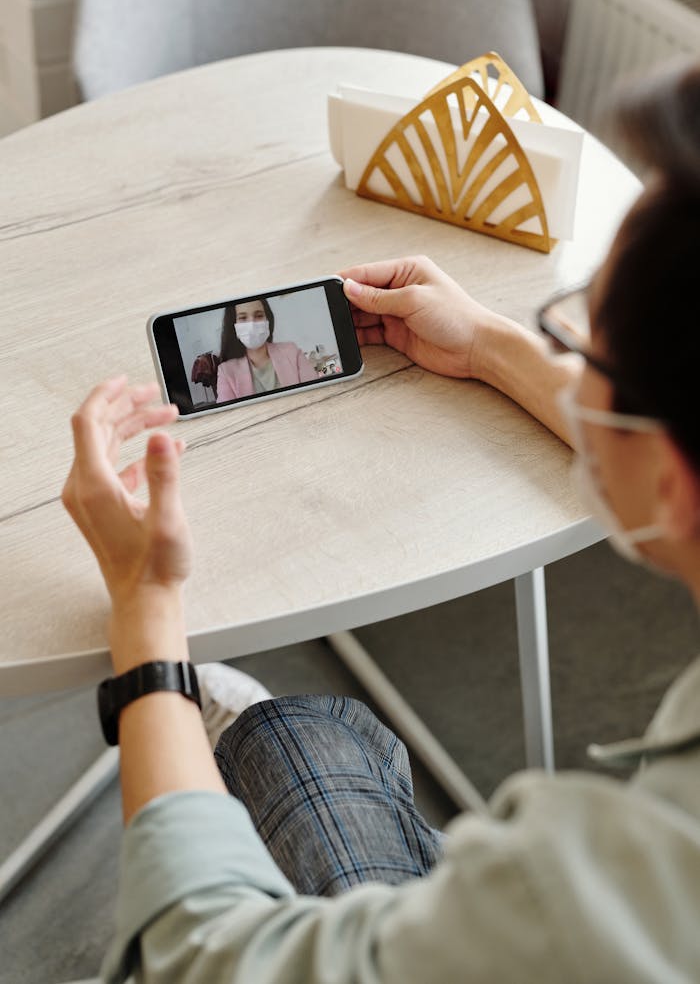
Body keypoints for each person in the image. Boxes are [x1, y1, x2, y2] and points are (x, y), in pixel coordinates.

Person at [61, 63, 700, 982]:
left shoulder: (598, 895)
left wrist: (145, 607)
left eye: (575, 335)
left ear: (674, 477)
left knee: (285, 743)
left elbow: (201, 952)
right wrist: (488, 341)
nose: (563, 352)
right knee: (308, 735)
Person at [216, 297, 318, 401]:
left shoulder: (291, 351)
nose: (252, 324)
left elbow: (315, 392)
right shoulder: (226, 372)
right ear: (234, 326)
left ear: (268, 321)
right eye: (243, 318)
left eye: (259, 316)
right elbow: (229, 414)